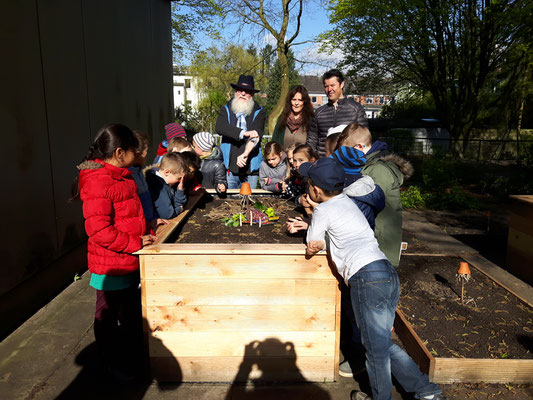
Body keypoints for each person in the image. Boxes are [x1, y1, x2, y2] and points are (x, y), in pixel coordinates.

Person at [300, 157, 446, 400]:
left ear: (315, 189)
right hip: (386, 273)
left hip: (366, 278)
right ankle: (427, 392)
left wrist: (310, 219)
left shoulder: (323, 209)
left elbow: (313, 244)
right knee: (381, 344)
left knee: (375, 350)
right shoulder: (348, 202)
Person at [72, 124, 157, 380]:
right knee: (107, 318)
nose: (139, 154)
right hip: (111, 265)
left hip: (127, 260)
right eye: (135, 150)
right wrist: (135, 244)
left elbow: (128, 215)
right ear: (120, 153)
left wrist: (147, 228)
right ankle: (110, 364)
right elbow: (99, 231)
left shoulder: (121, 175)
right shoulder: (100, 181)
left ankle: (131, 359)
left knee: (131, 314)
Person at [336, 122, 413, 267]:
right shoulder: (367, 167)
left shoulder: (378, 171)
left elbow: (363, 208)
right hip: (370, 247)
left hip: (378, 249)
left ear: (359, 147)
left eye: (346, 152)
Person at [215, 74, 266, 189]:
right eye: (240, 90)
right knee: (230, 203)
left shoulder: (259, 112)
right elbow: (220, 127)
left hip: (250, 170)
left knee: (249, 202)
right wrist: (244, 133)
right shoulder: (226, 109)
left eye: (247, 91)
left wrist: (245, 154)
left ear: (252, 94)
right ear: (236, 91)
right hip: (229, 168)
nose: (243, 93)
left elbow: (256, 135)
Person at [306, 69, 367, 157]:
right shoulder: (319, 112)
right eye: (326, 86)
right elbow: (312, 140)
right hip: (323, 162)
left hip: (347, 163)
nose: (329, 89)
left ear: (342, 84)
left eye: (332, 85)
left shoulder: (356, 109)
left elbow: (364, 138)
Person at [128, 130, 168, 231]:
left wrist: (154, 218)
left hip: (149, 224)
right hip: (140, 228)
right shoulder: (129, 176)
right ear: (138, 154)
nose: (147, 153)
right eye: (146, 150)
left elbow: (148, 200)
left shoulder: (139, 172)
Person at [145, 152, 188, 219]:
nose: (180, 181)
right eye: (179, 178)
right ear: (167, 172)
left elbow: (179, 204)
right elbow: (167, 214)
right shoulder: (158, 186)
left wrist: (180, 190)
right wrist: (179, 209)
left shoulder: (169, 182)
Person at [271, 85, 316, 149]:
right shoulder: (282, 119)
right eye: (294, 99)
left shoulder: (311, 120)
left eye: (300, 100)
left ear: (304, 102)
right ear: (290, 101)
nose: (296, 103)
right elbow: (275, 142)